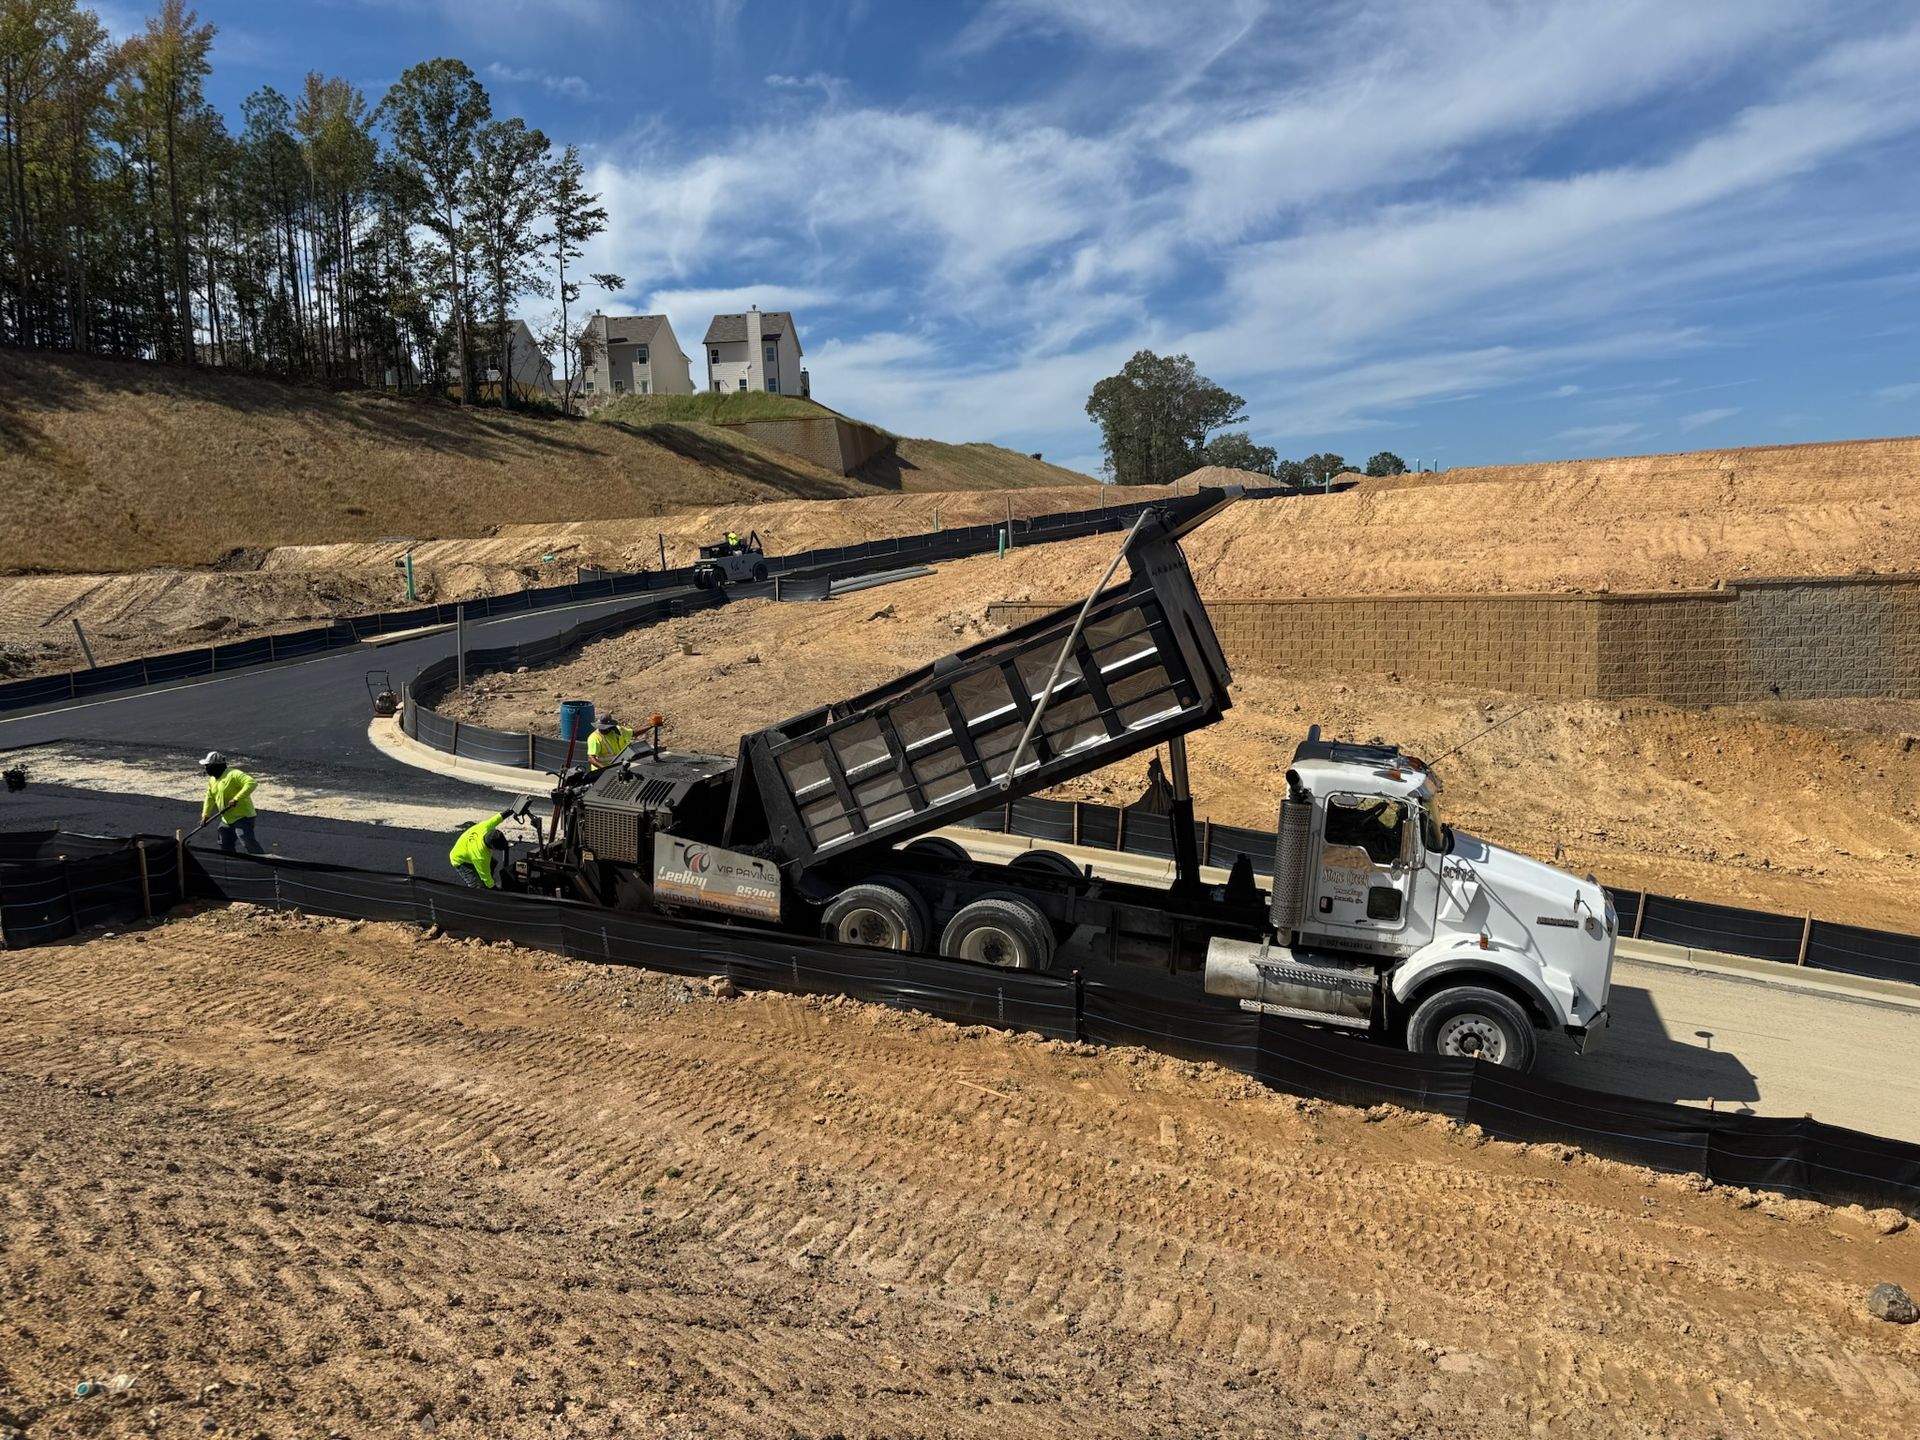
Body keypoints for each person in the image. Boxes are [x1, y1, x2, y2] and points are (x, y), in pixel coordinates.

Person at [199, 751, 264, 854]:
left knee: (247, 841)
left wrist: (236, 799)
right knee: (224, 841)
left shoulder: (233, 774)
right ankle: (229, 862)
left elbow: (251, 783)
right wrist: (205, 815)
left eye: (207, 766)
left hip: (242, 817)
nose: (206, 769)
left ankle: (264, 863)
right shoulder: (212, 780)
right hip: (226, 819)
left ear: (216, 766)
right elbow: (210, 797)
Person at [449, 808, 518, 889]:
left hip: (466, 848)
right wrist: (495, 890)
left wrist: (512, 810)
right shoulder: (481, 857)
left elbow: (498, 817)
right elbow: (486, 878)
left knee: (492, 863)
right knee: (478, 887)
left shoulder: (485, 827)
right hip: (459, 860)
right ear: (492, 848)